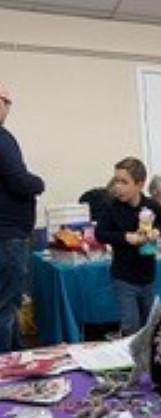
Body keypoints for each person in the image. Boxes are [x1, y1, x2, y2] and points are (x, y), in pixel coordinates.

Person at [96, 157, 161, 336]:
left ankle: (146, 362)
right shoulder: (111, 207)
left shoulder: (151, 206)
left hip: (147, 277)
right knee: (131, 326)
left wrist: (157, 232)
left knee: (150, 325)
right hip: (124, 278)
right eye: (116, 181)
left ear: (139, 184)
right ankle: (129, 360)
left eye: (124, 182)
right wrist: (125, 237)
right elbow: (100, 234)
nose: (118, 187)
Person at [0, 82, 44, 353]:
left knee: (7, 304)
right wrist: (39, 183)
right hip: (8, 237)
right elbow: (19, 181)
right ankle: (5, 372)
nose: (8, 109)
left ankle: (14, 360)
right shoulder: (2, 138)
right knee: (6, 306)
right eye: (7, 102)